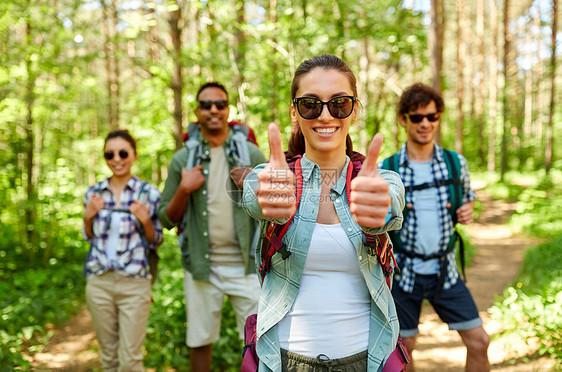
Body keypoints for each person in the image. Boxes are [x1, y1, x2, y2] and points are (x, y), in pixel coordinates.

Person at [242, 54, 405, 371]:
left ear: (354, 110)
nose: (326, 115)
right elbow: (254, 191)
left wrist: (379, 211)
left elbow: (391, 201)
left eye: (339, 103)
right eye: (311, 104)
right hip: (286, 360)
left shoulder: (380, 180)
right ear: (295, 111)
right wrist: (264, 197)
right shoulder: (276, 178)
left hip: (367, 359)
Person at [379, 83, 490, 372]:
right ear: (403, 120)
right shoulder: (388, 169)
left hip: (445, 270)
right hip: (403, 273)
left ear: (439, 117)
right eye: (417, 117)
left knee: (479, 341)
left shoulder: (456, 163)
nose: (425, 123)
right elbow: (375, 223)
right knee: (405, 351)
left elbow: (466, 198)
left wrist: (468, 209)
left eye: (432, 116)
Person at [157, 82, 266, 372]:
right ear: (197, 112)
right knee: (200, 341)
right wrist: (183, 188)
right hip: (202, 267)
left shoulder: (252, 155)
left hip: (247, 267)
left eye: (220, 104)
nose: (214, 110)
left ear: (228, 110)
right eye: (206, 105)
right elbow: (166, 219)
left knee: (261, 341)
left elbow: (276, 211)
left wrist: (252, 185)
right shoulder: (183, 159)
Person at [83, 129, 163, 372]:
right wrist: (88, 218)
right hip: (99, 282)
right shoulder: (93, 193)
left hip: (135, 283)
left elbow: (156, 239)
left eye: (122, 153)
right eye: (110, 154)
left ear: (134, 155)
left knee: (130, 360)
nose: (116, 159)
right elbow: (89, 236)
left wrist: (146, 221)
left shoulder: (148, 193)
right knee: (108, 358)